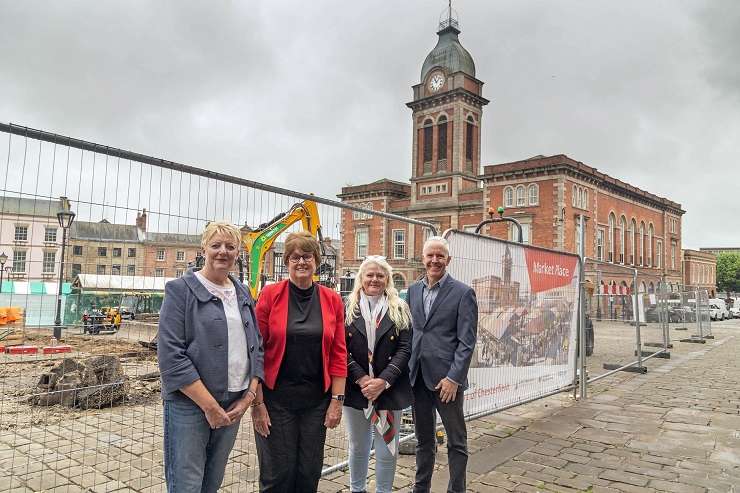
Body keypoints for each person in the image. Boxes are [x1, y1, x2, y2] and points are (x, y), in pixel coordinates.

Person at [157, 221, 264, 493]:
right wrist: (209, 406)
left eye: (230, 246)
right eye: (215, 245)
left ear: (238, 252)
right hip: (190, 405)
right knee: (187, 483)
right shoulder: (180, 290)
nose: (222, 252)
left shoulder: (241, 291)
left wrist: (249, 396)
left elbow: (257, 347)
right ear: (203, 249)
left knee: (212, 481)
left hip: (234, 401)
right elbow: (171, 357)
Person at [252, 231, 347, 492]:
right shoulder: (270, 295)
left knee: (308, 474)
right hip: (276, 400)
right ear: (287, 262)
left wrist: (336, 402)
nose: (301, 262)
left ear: (316, 260)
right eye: (294, 257)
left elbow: (339, 353)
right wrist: (257, 404)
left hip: (316, 402)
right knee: (277, 476)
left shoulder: (332, 300)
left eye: (307, 256)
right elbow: (256, 352)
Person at [407, 236, 478, 493]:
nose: (434, 260)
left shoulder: (462, 293)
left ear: (448, 260)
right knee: (423, 441)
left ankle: (456, 490)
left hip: (447, 381)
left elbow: (467, 342)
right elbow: (413, 332)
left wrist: (454, 378)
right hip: (418, 379)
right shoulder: (414, 290)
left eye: (440, 256)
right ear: (423, 258)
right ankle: (420, 489)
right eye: (430, 256)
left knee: (456, 442)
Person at [344, 255, 413, 493]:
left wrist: (383, 381)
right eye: (370, 275)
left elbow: (405, 348)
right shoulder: (346, 307)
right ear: (361, 278)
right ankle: (357, 489)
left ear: (388, 279)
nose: (375, 279)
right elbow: (338, 348)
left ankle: (383, 491)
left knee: (387, 447)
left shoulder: (400, 308)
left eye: (380, 275)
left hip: (389, 388)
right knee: (359, 445)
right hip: (356, 388)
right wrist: (362, 379)